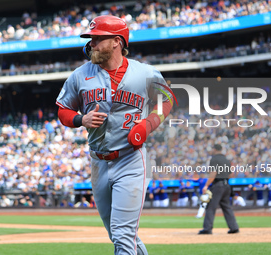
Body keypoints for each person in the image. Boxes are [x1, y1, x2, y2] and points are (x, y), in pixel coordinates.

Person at [56, 15, 172, 255]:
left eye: (98, 39)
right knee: (117, 234)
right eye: (91, 39)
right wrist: (81, 119)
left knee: (122, 234)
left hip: (131, 159)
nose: (92, 44)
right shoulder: (80, 75)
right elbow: (63, 110)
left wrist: (148, 124)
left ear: (117, 42)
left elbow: (168, 99)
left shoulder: (145, 72)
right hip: (98, 161)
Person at [198, 144, 239, 234]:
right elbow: (230, 174)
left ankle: (207, 228)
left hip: (218, 185)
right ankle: (234, 227)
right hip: (226, 185)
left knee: (211, 207)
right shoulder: (226, 160)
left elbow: (213, 173)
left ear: (215, 149)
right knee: (227, 207)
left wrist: (206, 185)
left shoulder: (214, 159)